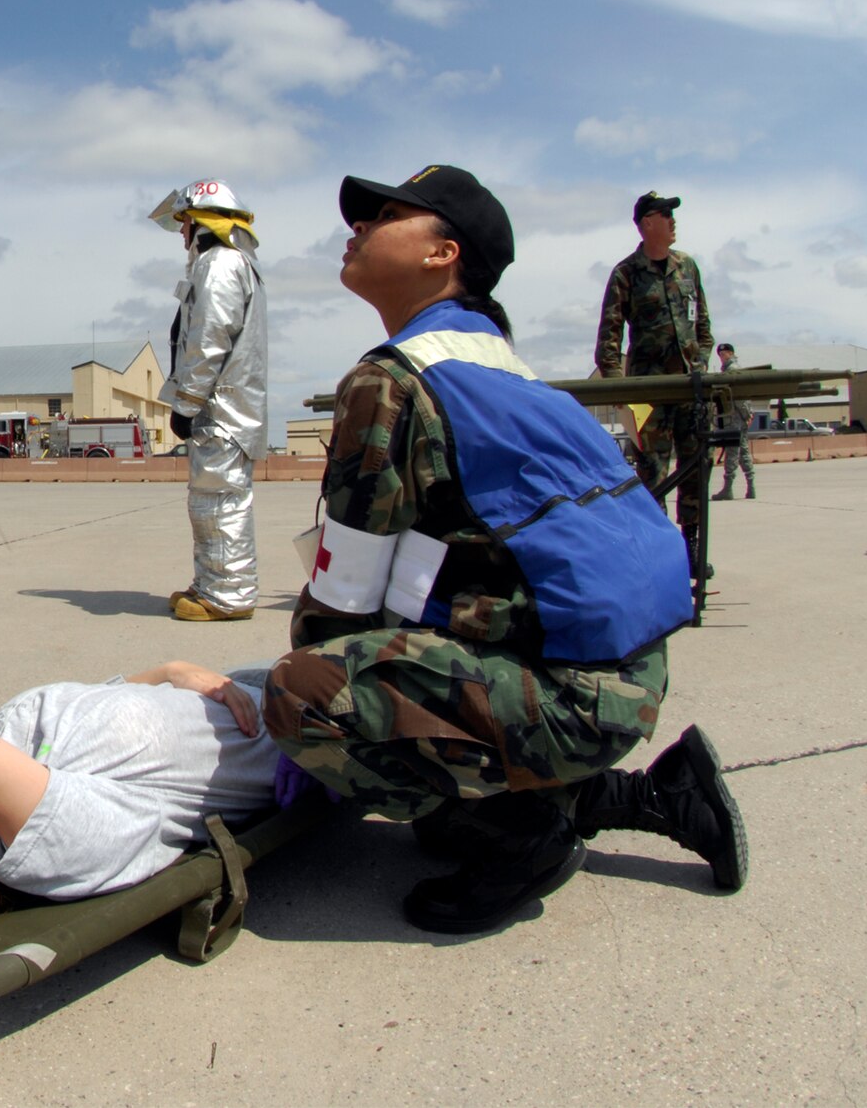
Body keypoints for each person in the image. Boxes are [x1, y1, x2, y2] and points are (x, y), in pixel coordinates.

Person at [263, 165, 746, 936]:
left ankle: (524, 839)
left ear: (442, 252)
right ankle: (650, 794)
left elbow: (342, 597)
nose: (356, 228)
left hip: (574, 691)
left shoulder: (390, 380)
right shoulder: (499, 364)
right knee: (418, 741)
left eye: (385, 215)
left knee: (303, 690)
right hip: (622, 672)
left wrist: (311, 738)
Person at [0, 662, 280, 998]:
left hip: (221, 685)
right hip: (299, 709)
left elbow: (89, 708)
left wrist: (168, 672)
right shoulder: (55, 835)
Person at [149, 180, 268, 622]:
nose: (181, 235)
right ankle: (210, 583)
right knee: (209, 501)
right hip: (224, 411)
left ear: (200, 222)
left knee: (219, 503)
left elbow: (209, 338)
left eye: (184, 224)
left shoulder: (219, 264)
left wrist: (187, 402)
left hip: (222, 412)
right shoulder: (230, 263)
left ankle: (228, 596)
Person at [595, 191, 713, 567]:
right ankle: (661, 553)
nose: (674, 221)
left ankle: (692, 547)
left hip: (690, 390)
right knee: (651, 473)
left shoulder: (688, 267)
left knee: (698, 465)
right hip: (647, 394)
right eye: (666, 214)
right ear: (647, 223)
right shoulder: (626, 273)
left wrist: (701, 363)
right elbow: (609, 338)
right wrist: (618, 389)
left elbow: (703, 327)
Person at [713, 343, 757, 500]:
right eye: (720, 354)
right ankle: (751, 487)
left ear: (731, 353)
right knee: (743, 452)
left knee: (733, 452)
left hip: (734, 417)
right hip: (736, 416)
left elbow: (739, 396)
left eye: (724, 353)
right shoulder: (730, 370)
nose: (721, 356)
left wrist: (746, 414)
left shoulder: (732, 370)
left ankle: (728, 488)